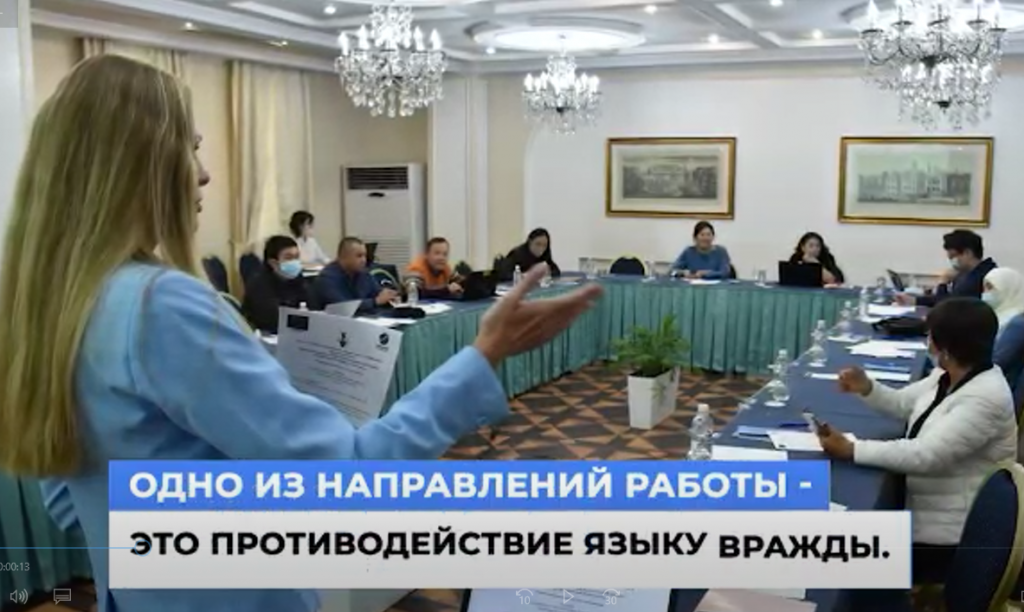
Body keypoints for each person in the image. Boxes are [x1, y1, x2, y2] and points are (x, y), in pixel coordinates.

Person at [0, 55, 604, 612]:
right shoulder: (160, 304)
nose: (204, 174)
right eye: (192, 147)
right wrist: (486, 351)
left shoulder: (60, 301)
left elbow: (66, 496)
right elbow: (348, 475)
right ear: (139, 161)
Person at [815, 297, 1017, 584]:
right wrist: (867, 387)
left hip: (948, 537)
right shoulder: (948, 375)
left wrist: (852, 449)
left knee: (841, 552)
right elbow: (902, 404)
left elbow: (926, 455)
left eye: (930, 336)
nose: (927, 343)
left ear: (946, 347)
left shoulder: (986, 397)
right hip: (924, 507)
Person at [895, 230, 996, 307]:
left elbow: (945, 306)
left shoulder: (981, 277)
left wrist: (942, 283)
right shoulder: (967, 273)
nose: (952, 262)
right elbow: (948, 298)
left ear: (967, 253)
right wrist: (914, 300)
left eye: (953, 257)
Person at [242, 235, 310, 334]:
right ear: (273, 263)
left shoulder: (298, 278)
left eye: (296, 257)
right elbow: (274, 320)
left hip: (295, 333)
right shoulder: (258, 285)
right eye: (289, 257)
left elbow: (310, 305)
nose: (295, 262)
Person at [313, 237, 398, 312]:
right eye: (359, 256)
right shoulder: (327, 278)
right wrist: (375, 301)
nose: (364, 260)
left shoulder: (364, 273)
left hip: (364, 319)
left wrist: (389, 296)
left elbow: (378, 293)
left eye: (365, 256)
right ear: (343, 257)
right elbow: (343, 308)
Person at [985, 268, 1024, 413]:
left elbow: (998, 361)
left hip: (1000, 393)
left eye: (990, 288)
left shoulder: (1017, 323)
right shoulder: (998, 314)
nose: (985, 293)